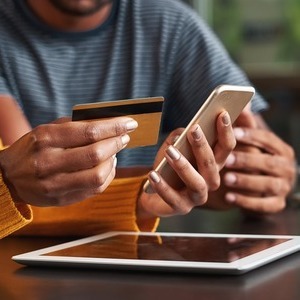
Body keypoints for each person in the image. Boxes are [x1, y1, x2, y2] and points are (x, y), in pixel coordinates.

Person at [0, 0, 296, 238]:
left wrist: (269, 176)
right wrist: (140, 198)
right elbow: (34, 189)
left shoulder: (169, 24)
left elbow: (254, 146)